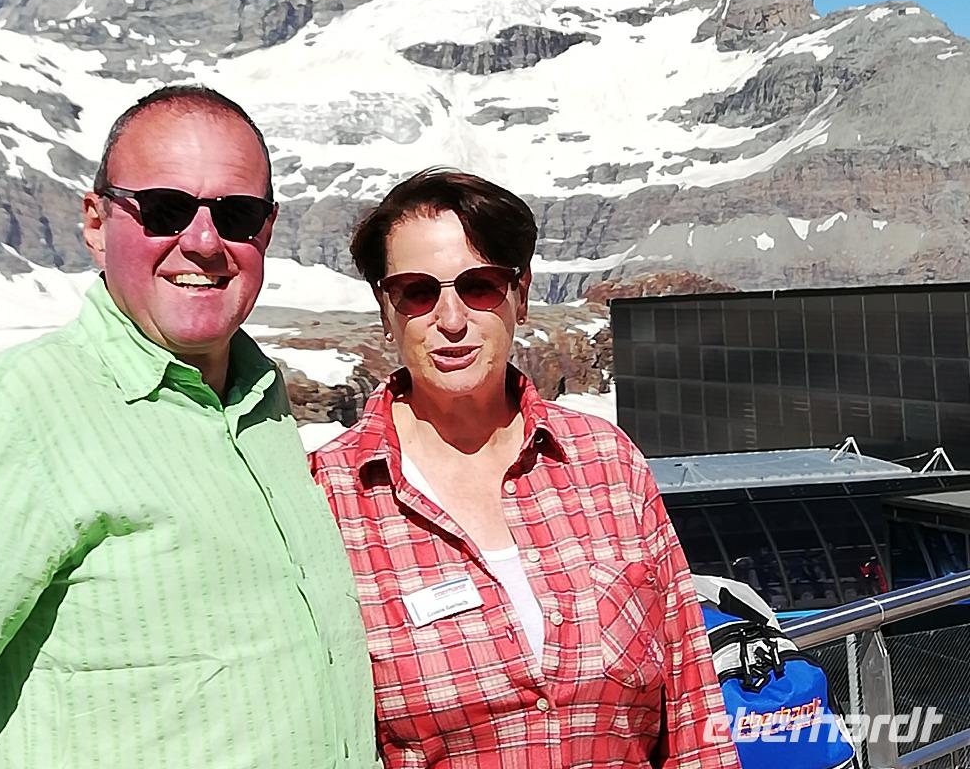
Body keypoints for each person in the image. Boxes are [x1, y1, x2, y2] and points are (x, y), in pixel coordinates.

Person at [0, 84, 375, 769]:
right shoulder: (24, 414)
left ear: (266, 230)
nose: (203, 241)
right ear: (95, 221)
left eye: (236, 215)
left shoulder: (261, 402)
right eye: (165, 209)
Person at [310, 167, 742, 769]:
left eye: (480, 286)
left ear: (521, 294)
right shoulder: (328, 497)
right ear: (387, 309)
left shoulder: (607, 463)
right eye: (417, 292)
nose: (452, 320)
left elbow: (693, 710)